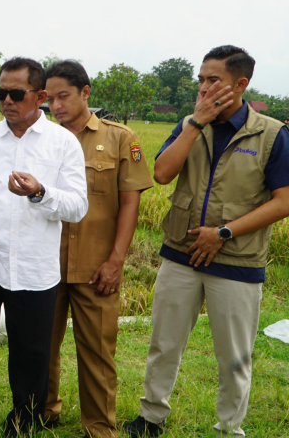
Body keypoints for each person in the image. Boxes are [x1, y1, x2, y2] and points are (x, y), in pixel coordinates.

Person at [124, 46, 289, 438]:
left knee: (234, 357)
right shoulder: (188, 124)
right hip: (180, 253)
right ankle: (150, 418)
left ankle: (229, 428)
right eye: (200, 79)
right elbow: (162, 173)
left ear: (240, 83)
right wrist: (195, 124)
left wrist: (224, 233)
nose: (203, 87)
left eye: (212, 80)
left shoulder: (271, 134)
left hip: (237, 260)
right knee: (164, 344)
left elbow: (284, 201)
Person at [0, 57, 88, 438]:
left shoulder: (63, 144)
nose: (6, 101)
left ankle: (23, 421)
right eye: (0, 93)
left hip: (35, 269)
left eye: (15, 93)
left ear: (40, 96)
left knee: (31, 354)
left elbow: (78, 206)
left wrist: (40, 193)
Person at [42, 61, 153, 438]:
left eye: (64, 96)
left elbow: (129, 203)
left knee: (98, 354)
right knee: (41, 347)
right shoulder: (42, 140)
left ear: (85, 92)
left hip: (96, 265)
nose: (56, 106)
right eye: (49, 98)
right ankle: (45, 412)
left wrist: (116, 260)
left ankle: (99, 427)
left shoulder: (119, 138)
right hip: (46, 264)